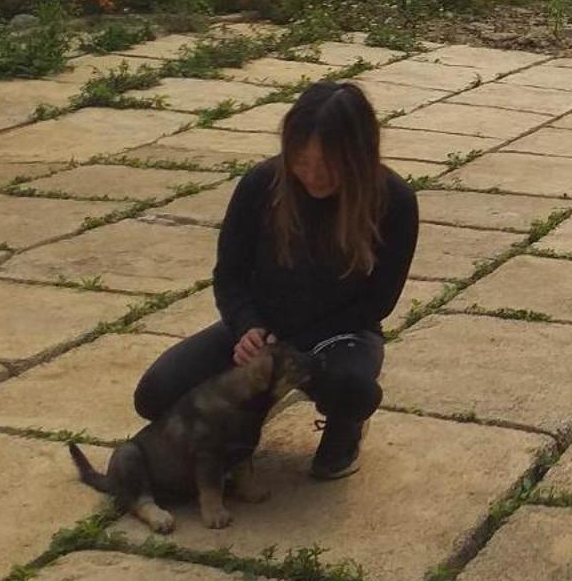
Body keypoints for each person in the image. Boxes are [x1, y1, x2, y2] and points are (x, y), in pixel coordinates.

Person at [133, 81, 419, 481]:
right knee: (155, 394)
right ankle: (250, 409)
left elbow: (378, 301)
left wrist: (288, 351)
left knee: (353, 388)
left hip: (336, 334)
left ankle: (345, 428)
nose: (314, 177)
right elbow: (229, 274)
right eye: (302, 163)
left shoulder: (394, 201)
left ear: (358, 155)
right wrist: (246, 326)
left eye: (329, 165)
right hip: (263, 327)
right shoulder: (260, 185)